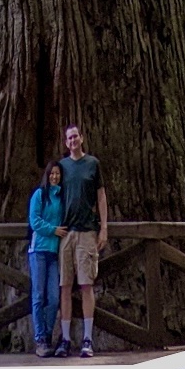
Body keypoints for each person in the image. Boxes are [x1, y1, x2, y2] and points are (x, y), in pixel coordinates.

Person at [52, 122, 111, 356]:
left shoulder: (92, 164)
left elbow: (101, 196)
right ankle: (65, 339)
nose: (73, 141)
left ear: (82, 138)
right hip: (66, 233)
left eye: (76, 137)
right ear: (66, 143)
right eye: (69, 138)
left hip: (87, 231)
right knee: (65, 286)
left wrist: (104, 228)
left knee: (87, 285)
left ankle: (87, 338)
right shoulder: (62, 166)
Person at [25, 157, 65, 356]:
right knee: (39, 295)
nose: (55, 177)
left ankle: (48, 336)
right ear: (47, 175)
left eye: (57, 174)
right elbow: (35, 222)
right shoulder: (39, 195)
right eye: (52, 174)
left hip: (54, 253)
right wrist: (54, 230)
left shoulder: (61, 198)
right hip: (38, 250)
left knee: (54, 298)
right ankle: (40, 339)